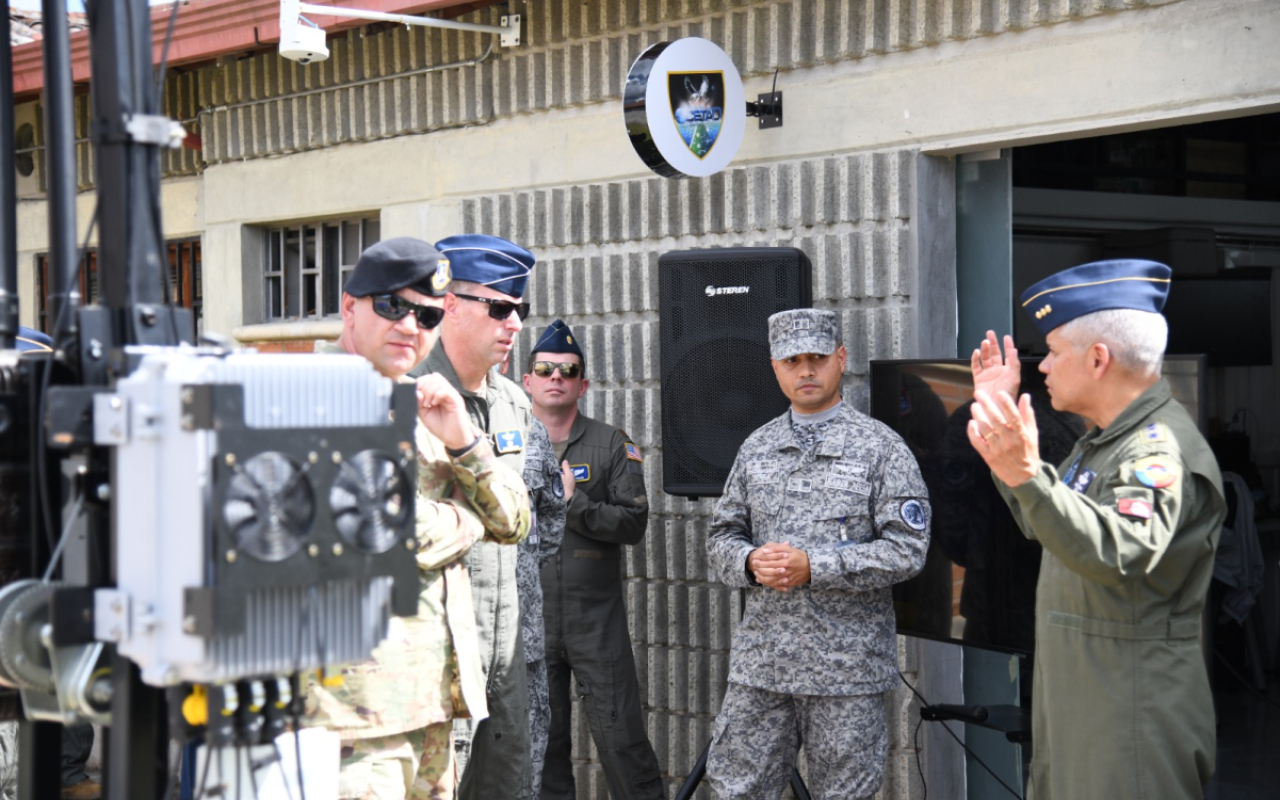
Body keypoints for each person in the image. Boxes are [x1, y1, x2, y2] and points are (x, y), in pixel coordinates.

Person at [966, 259, 1225, 800]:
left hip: (1129, 718)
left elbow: (1117, 550)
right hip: (1087, 707)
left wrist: (1028, 474)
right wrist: (1003, 431)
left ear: (1099, 358)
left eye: (1055, 352)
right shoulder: (1106, 441)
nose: (1043, 367)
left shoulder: (1157, 451)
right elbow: (1051, 525)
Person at [305, 236, 530, 800]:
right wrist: (465, 519)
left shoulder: (426, 406)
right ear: (347, 305)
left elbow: (514, 520)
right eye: (391, 306)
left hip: (429, 703)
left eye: (426, 313)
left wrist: (461, 441)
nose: (410, 325)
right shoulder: (306, 398)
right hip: (348, 720)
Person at [705, 308, 930, 800]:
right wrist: (747, 561)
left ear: (840, 359)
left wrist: (816, 567)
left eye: (817, 357)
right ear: (775, 367)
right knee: (735, 790)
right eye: (792, 360)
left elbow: (908, 550)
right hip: (763, 668)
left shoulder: (881, 449)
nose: (806, 370)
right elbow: (721, 537)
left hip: (846, 671)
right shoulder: (757, 448)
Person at [409, 233, 536, 800]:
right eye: (500, 308)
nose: (513, 325)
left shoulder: (514, 402)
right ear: (451, 306)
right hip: (434, 648)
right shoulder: (407, 393)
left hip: (502, 647)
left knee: (504, 785)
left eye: (520, 311)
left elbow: (518, 518)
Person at [522, 320, 664, 800]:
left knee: (622, 742)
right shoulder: (506, 446)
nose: (555, 377)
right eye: (544, 369)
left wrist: (573, 504)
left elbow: (634, 524)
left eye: (568, 370)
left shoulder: (610, 444)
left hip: (595, 622)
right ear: (528, 381)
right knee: (543, 749)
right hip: (530, 619)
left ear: (582, 384)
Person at [518, 420, 566, 799]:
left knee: (524, 772)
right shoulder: (412, 408)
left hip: (522, 641)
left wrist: (522, 573)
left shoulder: (525, 422)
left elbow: (551, 514)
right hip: (450, 646)